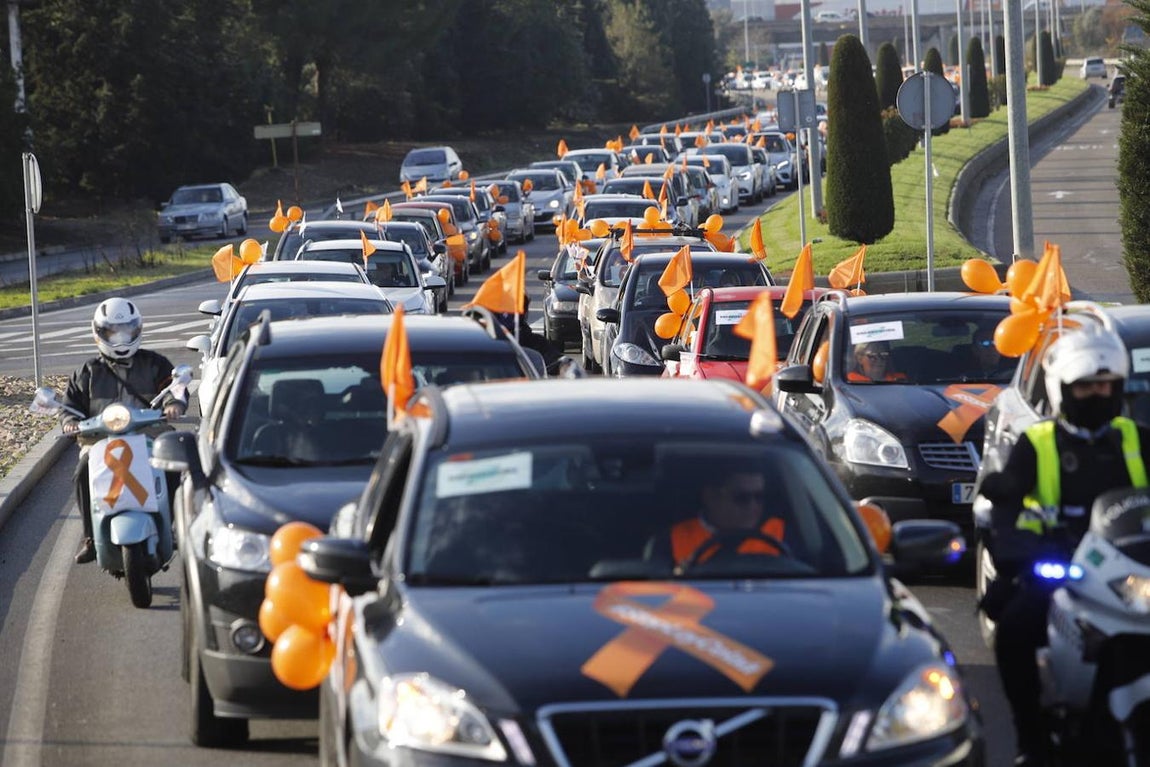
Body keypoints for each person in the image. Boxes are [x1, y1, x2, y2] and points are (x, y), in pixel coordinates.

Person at [979, 326, 1150, 767]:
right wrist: (1014, 548)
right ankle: (1031, 740)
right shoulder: (1036, 444)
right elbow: (1006, 504)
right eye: (1086, 387)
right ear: (1062, 389)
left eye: (1106, 385)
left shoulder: (1137, 438)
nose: (1098, 394)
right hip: (1063, 568)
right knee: (1014, 630)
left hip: (1133, 574)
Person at [61, 298, 187, 565]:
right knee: (82, 471)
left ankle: (172, 525)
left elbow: (174, 386)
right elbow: (70, 405)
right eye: (112, 332)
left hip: (149, 432)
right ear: (99, 332)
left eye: (127, 330)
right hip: (99, 438)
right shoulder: (87, 371)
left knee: (172, 465)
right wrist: (70, 421)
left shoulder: (155, 363)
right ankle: (90, 537)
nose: (120, 337)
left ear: (137, 329)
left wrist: (174, 404)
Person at [646, 468, 786, 569]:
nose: (753, 506)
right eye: (742, 498)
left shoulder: (780, 532)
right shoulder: (673, 539)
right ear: (710, 497)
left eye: (759, 497)